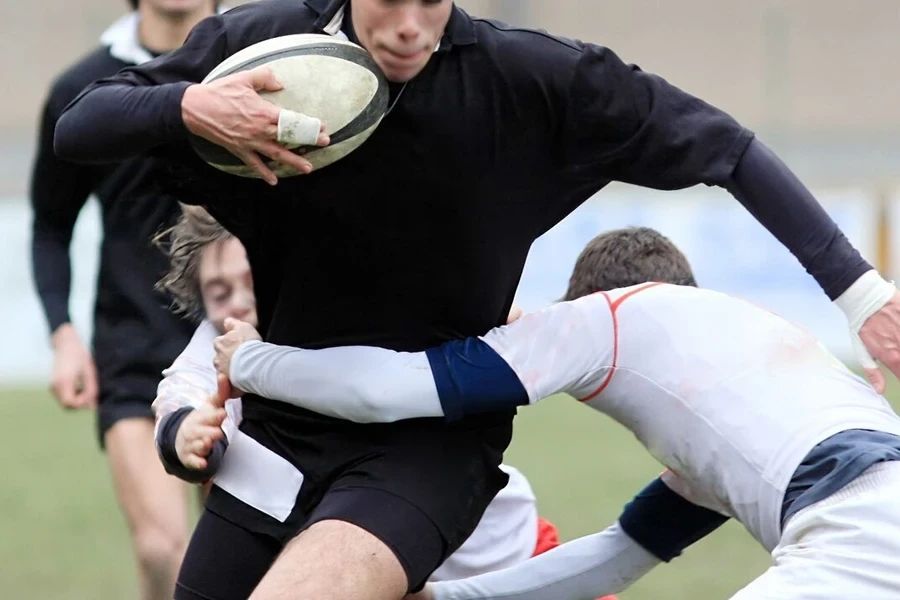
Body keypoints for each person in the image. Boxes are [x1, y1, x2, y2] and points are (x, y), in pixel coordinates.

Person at [51, 1, 900, 598]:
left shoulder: (531, 83)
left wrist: (860, 295)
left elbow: (727, 148)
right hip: (273, 450)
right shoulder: (266, 45)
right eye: (389, 0)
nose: (412, 26)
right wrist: (191, 106)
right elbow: (83, 125)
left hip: (427, 454)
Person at [214, 226, 900, 600]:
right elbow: (614, 560)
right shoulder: (740, 363)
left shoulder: (611, 319)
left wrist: (251, 361)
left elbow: (386, 390)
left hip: (853, 533)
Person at [150, 206, 601, 587]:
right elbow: (182, 388)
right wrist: (184, 430)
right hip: (362, 573)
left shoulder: (354, 316)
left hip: (501, 563)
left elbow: (502, 318)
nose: (238, 303)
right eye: (218, 291)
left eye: (251, 281)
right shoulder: (218, 345)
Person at [28, 1, 220, 599]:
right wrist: (63, 336)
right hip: (133, 352)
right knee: (165, 550)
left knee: (241, 556)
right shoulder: (83, 89)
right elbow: (50, 226)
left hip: (242, 349)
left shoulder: (255, 57)